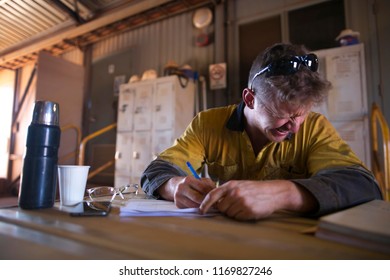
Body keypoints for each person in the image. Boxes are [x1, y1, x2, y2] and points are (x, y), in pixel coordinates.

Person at [140, 43, 382, 221]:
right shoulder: (208, 124)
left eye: (301, 114)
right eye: (283, 114)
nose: (294, 127)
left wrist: (284, 193)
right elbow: (156, 171)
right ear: (250, 98)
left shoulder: (315, 128)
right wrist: (174, 186)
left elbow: (362, 185)